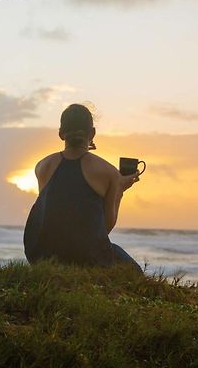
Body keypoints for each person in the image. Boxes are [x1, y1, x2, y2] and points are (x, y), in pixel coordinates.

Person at [23, 103, 142, 272]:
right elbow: (104, 229)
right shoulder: (108, 172)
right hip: (86, 259)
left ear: (60, 134)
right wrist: (120, 190)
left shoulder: (43, 166)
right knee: (135, 271)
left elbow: (50, 217)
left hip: (42, 256)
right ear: (92, 133)